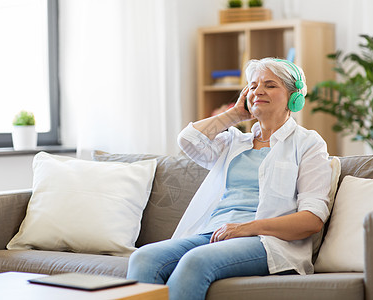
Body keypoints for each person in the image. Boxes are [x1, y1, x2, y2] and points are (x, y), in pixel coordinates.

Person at [127, 57, 332, 300]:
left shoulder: (308, 143)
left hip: (266, 241)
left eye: (270, 85)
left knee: (195, 261)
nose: (258, 91)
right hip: (213, 233)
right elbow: (188, 140)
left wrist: (246, 228)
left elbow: (312, 220)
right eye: (253, 86)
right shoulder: (234, 141)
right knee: (144, 257)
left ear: (294, 97)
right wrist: (234, 114)